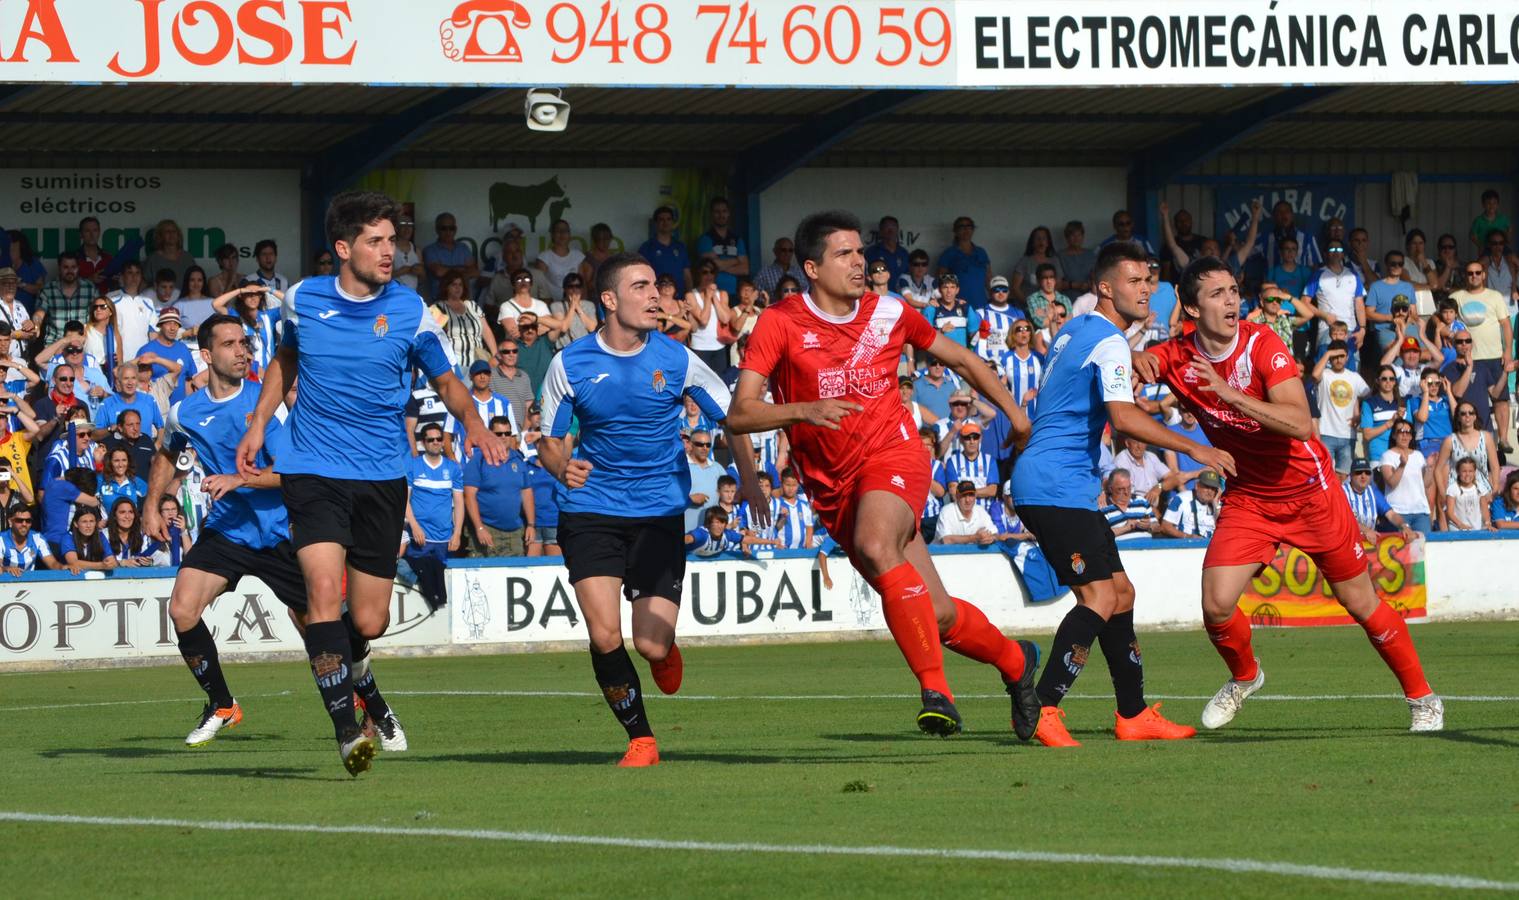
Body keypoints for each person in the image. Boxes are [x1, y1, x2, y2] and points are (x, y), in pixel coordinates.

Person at [729, 210, 1045, 741]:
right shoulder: (780, 323)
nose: (860, 263)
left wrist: (1015, 414)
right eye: (844, 254)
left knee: (877, 543)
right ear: (811, 267)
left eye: (861, 252)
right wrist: (803, 411)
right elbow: (739, 413)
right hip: (834, 488)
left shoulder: (890, 311)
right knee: (937, 616)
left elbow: (962, 360)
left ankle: (935, 692)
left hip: (895, 455)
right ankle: (1017, 662)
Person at [236, 191, 505, 776]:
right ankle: (345, 730)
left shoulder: (411, 311)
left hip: (383, 478)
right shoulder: (302, 300)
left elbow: (449, 380)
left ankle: (364, 684)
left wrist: (475, 422)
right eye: (376, 241)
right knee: (322, 596)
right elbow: (285, 359)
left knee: (369, 622)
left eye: (393, 240)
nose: (390, 251)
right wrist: (259, 422)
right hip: (312, 470)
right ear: (343, 248)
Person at [1136, 255, 1442, 733]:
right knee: (1215, 604)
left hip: (1309, 493)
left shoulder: (1264, 345)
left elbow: (1301, 423)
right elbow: (1146, 363)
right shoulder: (1177, 355)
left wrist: (1229, 394)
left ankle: (1423, 699)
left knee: (1360, 603)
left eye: (1234, 290)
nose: (1232, 301)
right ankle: (1246, 676)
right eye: (1217, 294)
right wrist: (1136, 362)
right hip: (1250, 497)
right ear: (1191, 309)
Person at [537, 251, 766, 767]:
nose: (656, 298)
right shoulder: (569, 363)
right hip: (591, 510)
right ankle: (641, 738)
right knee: (603, 633)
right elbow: (549, 443)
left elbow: (735, 418)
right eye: (640, 288)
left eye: (656, 288)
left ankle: (664, 650)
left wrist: (749, 480)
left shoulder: (677, 358)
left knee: (652, 646)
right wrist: (560, 468)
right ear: (611, 300)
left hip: (659, 513)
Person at [148, 313, 406, 751]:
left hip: (283, 531)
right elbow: (166, 452)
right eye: (230, 344)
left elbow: (295, 473)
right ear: (207, 355)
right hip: (229, 531)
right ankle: (222, 704)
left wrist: (238, 479)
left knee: (321, 633)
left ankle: (375, 708)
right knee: (182, 609)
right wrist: (152, 505)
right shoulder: (184, 411)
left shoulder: (266, 405)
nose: (242, 351)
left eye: (244, 342)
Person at [1013, 242, 1234, 748]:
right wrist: (1194, 449)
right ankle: (1042, 707)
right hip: (1055, 485)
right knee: (1099, 596)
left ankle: (1133, 715)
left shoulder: (1077, 328)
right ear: (1105, 288)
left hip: (1055, 483)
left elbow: (1083, 374)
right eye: (1134, 281)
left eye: (1149, 280)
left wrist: (1131, 354)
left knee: (1121, 593)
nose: (1146, 289)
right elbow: (1122, 417)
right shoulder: (1109, 342)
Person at [464, 416, 534, 557]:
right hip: (487, 529)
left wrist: (531, 525)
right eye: (499, 434)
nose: (504, 437)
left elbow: (527, 493)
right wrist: (479, 528)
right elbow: (469, 496)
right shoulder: (479, 459)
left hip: (515, 532)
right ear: (490, 434)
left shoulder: (519, 460)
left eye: (507, 433)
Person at [405, 422, 464, 567]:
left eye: (439, 439)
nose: (435, 442)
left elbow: (459, 503)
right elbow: (404, 500)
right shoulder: (413, 465)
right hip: (419, 537)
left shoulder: (453, 468)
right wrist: (414, 526)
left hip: (444, 539)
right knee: (420, 583)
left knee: (442, 581)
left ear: (443, 442)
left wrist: (457, 533)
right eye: (431, 440)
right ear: (423, 443)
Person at [1312, 339, 1370, 478]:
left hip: (1347, 435)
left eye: (1341, 356)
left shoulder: (1355, 377)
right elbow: (1314, 375)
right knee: (1325, 476)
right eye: (1334, 357)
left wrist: (1360, 415)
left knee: (1343, 477)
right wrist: (1328, 354)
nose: (1338, 360)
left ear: (1348, 356)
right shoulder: (1324, 374)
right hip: (1326, 433)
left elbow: (1370, 397)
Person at [435, 269, 496, 378]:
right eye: (454, 285)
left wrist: (495, 355)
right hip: (454, 363)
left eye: (460, 285)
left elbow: (486, 331)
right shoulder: (439, 307)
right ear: (446, 287)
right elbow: (436, 336)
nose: (458, 288)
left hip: (478, 361)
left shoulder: (472, 305)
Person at [1342, 458, 1415, 541]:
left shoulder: (1373, 492)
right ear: (1351, 475)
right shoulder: (1341, 492)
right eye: (1359, 472)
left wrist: (1404, 526)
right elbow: (1343, 519)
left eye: (1367, 472)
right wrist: (1365, 530)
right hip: (1346, 542)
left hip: (1367, 541)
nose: (1363, 476)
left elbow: (1391, 514)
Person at [686, 260, 734, 377]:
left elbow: (725, 318)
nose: (709, 276)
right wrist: (708, 297)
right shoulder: (691, 295)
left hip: (719, 346)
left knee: (721, 381)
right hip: (700, 347)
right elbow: (703, 320)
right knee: (701, 383)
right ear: (698, 274)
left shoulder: (722, 294)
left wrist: (714, 298)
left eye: (712, 272)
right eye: (705, 272)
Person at [33, 252, 94, 345]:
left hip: (81, 346)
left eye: (73, 267)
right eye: (65, 267)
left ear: (78, 268)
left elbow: (98, 315)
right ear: (59, 268)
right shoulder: (48, 289)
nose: (70, 271)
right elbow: (39, 313)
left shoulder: (90, 289)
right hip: (54, 345)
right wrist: (36, 325)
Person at [696, 198, 749, 298]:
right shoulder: (705, 239)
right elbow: (713, 266)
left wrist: (720, 266)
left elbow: (745, 269)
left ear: (729, 213)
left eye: (724, 211)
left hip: (736, 293)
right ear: (712, 214)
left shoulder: (737, 240)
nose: (721, 215)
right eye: (717, 212)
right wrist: (736, 260)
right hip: (712, 292)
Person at [936, 216, 991, 308]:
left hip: (981, 303)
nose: (966, 229)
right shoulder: (949, 254)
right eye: (962, 227)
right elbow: (940, 280)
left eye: (969, 226)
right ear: (955, 231)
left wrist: (994, 299)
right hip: (957, 305)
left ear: (973, 230)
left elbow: (988, 279)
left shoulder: (981, 252)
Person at [108, 260, 158, 360]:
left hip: (142, 360)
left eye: (137, 273)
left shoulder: (148, 302)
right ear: (122, 276)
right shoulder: (110, 299)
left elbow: (154, 334)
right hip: (120, 359)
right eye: (130, 272)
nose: (134, 276)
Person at [637, 206, 693, 294]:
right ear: (655, 223)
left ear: (672, 222)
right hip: (657, 299)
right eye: (661, 219)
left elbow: (687, 275)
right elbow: (641, 276)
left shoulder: (680, 246)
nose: (665, 222)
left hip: (679, 299)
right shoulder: (646, 247)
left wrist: (690, 296)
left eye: (668, 219)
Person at [422, 214, 476, 300]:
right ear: (437, 229)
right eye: (444, 228)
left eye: (451, 228)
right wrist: (463, 269)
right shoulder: (429, 250)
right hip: (439, 303)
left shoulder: (463, 248)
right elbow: (439, 272)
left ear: (456, 229)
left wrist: (447, 270)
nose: (448, 232)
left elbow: (474, 272)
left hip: (463, 302)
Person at [1158, 469, 1222, 538]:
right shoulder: (1181, 499)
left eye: (1213, 489)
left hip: (1211, 545)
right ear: (1197, 486)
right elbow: (1165, 527)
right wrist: (1187, 536)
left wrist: (1216, 505)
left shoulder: (1218, 504)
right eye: (1206, 487)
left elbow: (1224, 528)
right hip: (1186, 546)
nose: (1209, 491)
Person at [933, 480, 1001, 545]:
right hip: (943, 555)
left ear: (975, 496)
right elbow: (946, 540)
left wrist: (990, 538)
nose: (968, 500)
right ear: (957, 496)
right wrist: (974, 537)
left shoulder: (981, 511)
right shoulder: (946, 511)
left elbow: (995, 534)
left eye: (971, 495)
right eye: (963, 495)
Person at [533, 219, 585, 303]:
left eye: (565, 231)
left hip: (574, 302)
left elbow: (583, 284)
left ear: (569, 234)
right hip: (551, 303)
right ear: (552, 234)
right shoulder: (544, 257)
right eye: (558, 231)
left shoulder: (578, 256)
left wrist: (582, 303)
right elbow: (539, 286)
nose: (562, 234)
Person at [0, 507, 60, 574]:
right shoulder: (1, 539)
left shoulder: (38, 538)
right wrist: (7, 568)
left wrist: (65, 568)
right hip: (5, 582)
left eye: (28, 521)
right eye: (19, 520)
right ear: (10, 522)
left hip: (29, 582)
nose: (24, 524)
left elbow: (53, 564)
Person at [524, 450, 561, 557]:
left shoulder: (560, 464)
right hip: (531, 524)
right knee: (530, 567)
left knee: (554, 567)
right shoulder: (526, 464)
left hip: (554, 522)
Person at [60, 506, 116, 574]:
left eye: (91, 521)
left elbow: (111, 561)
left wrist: (110, 563)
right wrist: (101, 565)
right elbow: (74, 562)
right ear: (76, 524)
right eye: (84, 522)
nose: (88, 526)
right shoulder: (68, 538)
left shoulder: (100, 536)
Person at [106, 497, 159, 566]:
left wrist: (149, 561)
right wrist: (121, 563)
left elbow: (149, 556)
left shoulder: (142, 534)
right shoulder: (104, 535)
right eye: (122, 512)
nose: (127, 516)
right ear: (114, 516)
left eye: (131, 512)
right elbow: (102, 561)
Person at [1443, 458, 1490, 532]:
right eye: (1464, 471)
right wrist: (1460, 524)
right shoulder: (1452, 488)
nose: (1467, 474)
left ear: (1475, 472)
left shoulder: (1480, 487)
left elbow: (1484, 508)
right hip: (1457, 529)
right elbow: (1450, 512)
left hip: (1476, 529)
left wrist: (1487, 523)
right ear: (1458, 472)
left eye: (1470, 471)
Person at [864, 215, 909, 287]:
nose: (890, 230)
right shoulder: (871, 252)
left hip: (902, 295)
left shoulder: (904, 253)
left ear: (897, 230)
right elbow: (865, 276)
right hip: (880, 295)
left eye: (893, 227)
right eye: (887, 227)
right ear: (881, 231)